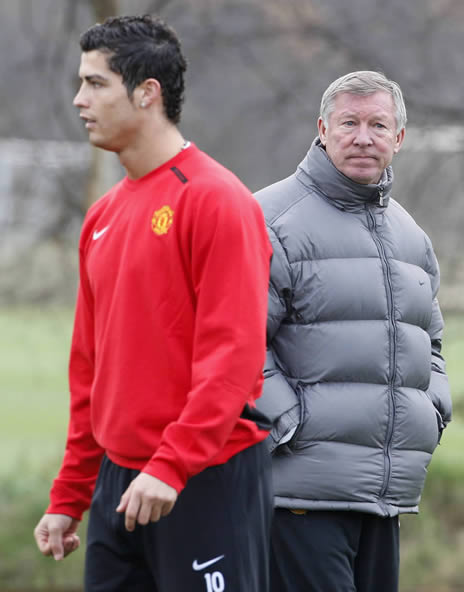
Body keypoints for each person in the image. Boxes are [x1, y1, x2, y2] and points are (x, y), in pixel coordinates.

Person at [34, 15, 273, 592]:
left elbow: (232, 359)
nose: (79, 99)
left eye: (96, 84)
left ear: (147, 93)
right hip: (120, 485)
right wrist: (71, 492)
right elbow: (91, 370)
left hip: (200, 478)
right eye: (81, 83)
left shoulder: (216, 201)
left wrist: (171, 465)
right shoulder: (103, 215)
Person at [255, 70, 452, 592]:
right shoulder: (270, 220)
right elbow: (235, 344)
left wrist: (433, 410)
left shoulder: (411, 235)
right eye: (349, 123)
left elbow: (429, 343)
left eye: (378, 125)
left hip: (384, 499)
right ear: (322, 128)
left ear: (399, 138)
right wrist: (290, 425)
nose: (363, 137)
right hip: (299, 499)